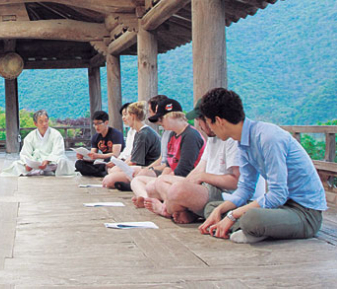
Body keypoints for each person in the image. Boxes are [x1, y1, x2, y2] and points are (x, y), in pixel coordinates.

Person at [198, 88, 326, 244]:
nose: (210, 129)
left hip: (304, 213)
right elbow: (245, 189)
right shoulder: (243, 142)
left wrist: (232, 216)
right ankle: (258, 229)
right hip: (279, 208)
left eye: (209, 123)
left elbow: (278, 194)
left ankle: (252, 228)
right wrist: (220, 210)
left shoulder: (268, 138)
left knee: (251, 218)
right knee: (211, 208)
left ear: (218, 121)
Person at [143, 99, 240, 223]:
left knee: (176, 191)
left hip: (223, 192)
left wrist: (201, 178)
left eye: (200, 121)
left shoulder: (231, 139)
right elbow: (198, 170)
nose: (199, 125)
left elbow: (235, 183)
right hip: (207, 187)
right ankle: (184, 210)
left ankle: (166, 209)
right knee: (159, 182)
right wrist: (189, 182)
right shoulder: (213, 138)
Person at [131, 98, 205, 208]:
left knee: (155, 185)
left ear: (171, 116)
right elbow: (169, 166)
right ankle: (149, 200)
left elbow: (184, 170)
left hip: (187, 180)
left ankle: (164, 205)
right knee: (138, 181)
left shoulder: (190, 135)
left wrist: (160, 182)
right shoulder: (172, 135)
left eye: (161, 119)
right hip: (173, 178)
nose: (159, 123)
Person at [102, 101, 161, 190]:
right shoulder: (139, 132)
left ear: (133, 116)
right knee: (112, 171)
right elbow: (132, 156)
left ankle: (133, 184)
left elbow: (135, 161)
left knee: (108, 180)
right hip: (139, 166)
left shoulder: (143, 134)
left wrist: (119, 166)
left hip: (146, 167)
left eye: (127, 115)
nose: (124, 118)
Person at [2, 110, 74, 177]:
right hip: (36, 162)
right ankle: (38, 170)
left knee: (63, 162)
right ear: (35, 123)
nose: (44, 124)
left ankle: (44, 171)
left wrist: (47, 160)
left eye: (46, 121)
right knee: (16, 164)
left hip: (51, 164)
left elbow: (58, 151)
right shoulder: (30, 136)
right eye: (41, 121)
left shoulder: (56, 134)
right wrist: (27, 164)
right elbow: (25, 153)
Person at [75, 110, 123, 177]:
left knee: (110, 159)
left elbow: (115, 154)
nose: (96, 126)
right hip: (103, 163)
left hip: (114, 161)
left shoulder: (116, 134)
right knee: (79, 163)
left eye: (99, 123)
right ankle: (101, 173)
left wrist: (98, 156)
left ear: (106, 122)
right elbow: (92, 156)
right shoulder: (96, 137)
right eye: (94, 124)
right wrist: (84, 157)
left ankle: (96, 172)